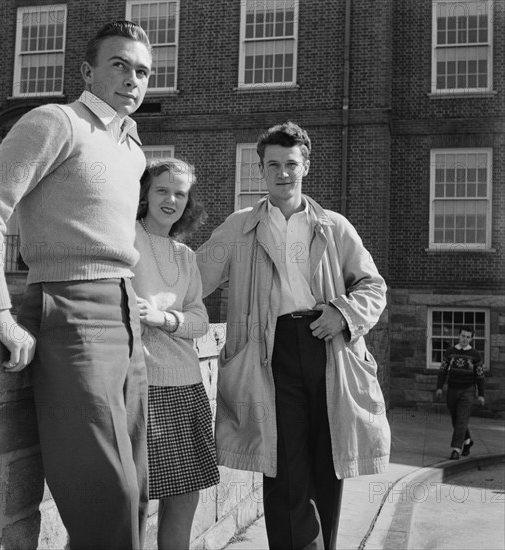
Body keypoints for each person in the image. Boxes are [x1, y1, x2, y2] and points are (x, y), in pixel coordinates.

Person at [0, 21, 153, 550]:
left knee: (137, 488)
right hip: (70, 311)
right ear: (88, 71)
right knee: (105, 493)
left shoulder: (132, 150)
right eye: (119, 65)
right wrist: (0, 313)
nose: (132, 78)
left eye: (142, 70)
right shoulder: (56, 122)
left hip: (127, 317)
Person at [196, 121, 390, 550]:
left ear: (306, 167)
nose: (282, 173)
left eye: (291, 164)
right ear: (261, 171)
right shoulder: (239, 226)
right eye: (273, 166)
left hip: (328, 348)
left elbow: (373, 287)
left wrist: (342, 313)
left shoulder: (334, 226)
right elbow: (193, 278)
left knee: (328, 461)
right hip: (270, 352)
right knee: (283, 465)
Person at [131, 158, 219, 550]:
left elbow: (200, 321)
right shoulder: (124, 238)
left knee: (185, 495)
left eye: (180, 194)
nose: (171, 199)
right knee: (133, 497)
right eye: (162, 190)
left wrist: (164, 318)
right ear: (145, 194)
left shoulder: (185, 255)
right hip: (141, 385)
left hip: (186, 386)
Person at [436, 326, 485, 460]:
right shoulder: (450, 352)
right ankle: (468, 441)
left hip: (468, 390)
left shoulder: (475, 355)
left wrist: (481, 394)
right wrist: (439, 387)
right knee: (456, 419)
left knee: (462, 419)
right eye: (463, 336)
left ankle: (456, 449)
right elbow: (443, 370)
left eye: (468, 337)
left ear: (471, 339)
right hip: (452, 389)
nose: (465, 339)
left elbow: (480, 375)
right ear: (458, 336)